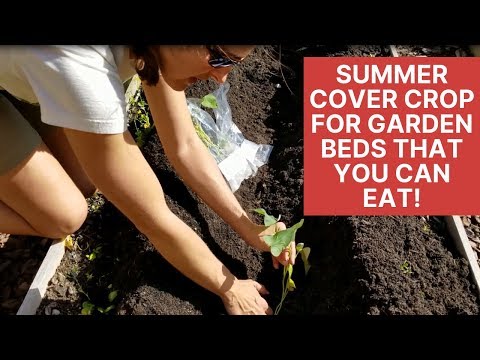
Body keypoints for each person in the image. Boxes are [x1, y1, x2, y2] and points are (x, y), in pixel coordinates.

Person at [0, 45, 296, 315]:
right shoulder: (84, 72)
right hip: (53, 65)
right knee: (63, 216)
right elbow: (151, 217)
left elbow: (184, 146)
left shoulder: (155, 52)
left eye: (233, 62)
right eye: (219, 58)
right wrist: (229, 287)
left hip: (34, 62)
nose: (220, 77)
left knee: (83, 180)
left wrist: (248, 228)